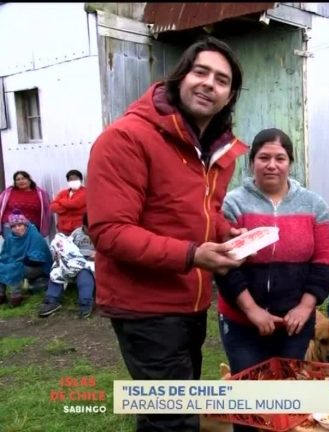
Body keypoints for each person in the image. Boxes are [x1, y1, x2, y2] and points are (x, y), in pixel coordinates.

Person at [86, 36, 248, 432]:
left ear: (229, 97)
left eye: (222, 80)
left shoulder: (211, 150)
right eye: (201, 72)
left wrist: (228, 234)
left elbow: (197, 213)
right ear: (179, 79)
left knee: (175, 413)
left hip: (188, 303)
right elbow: (109, 231)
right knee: (172, 422)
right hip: (145, 307)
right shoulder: (126, 138)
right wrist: (194, 255)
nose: (210, 83)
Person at [215, 129, 329, 428]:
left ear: (290, 163)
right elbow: (224, 265)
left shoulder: (314, 205)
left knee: (290, 399)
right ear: (252, 162)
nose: (272, 165)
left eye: (279, 158)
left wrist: (306, 307)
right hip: (242, 323)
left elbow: (325, 261)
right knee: (249, 404)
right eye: (264, 157)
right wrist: (252, 310)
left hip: (294, 324)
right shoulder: (233, 204)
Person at [39, 213, 96, 319]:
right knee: (58, 271)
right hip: (74, 260)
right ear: (84, 226)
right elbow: (68, 245)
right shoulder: (77, 233)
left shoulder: (100, 234)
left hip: (90, 263)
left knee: (84, 276)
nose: (91, 232)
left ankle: (85, 302)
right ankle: (51, 300)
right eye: (89, 229)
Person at [0, 212, 53, 306]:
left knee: (15, 267)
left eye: (20, 225)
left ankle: (16, 297)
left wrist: (16, 262)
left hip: (38, 267)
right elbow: (5, 255)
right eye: (13, 226)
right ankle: (1, 294)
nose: (17, 228)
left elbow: (37, 259)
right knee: (2, 266)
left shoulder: (34, 236)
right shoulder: (10, 238)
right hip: (20, 263)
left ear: (25, 225)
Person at [0, 170, 52, 236]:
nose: (21, 181)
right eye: (18, 179)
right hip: (10, 225)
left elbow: (47, 210)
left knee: (31, 246)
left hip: (32, 226)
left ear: (29, 180)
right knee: (14, 245)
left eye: (23, 178)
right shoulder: (8, 192)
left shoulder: (40, 193)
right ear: (15, 182)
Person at [50, 169, 87, 235]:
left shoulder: (86, 192)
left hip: (78, 229)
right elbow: (53, 207)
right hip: (62, 228)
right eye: (71, 179)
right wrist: (69, 207)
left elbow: (75, 204)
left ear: (81, 180)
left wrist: (60, 201)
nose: (73, 181)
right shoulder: (63, 192)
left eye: (76, 178)